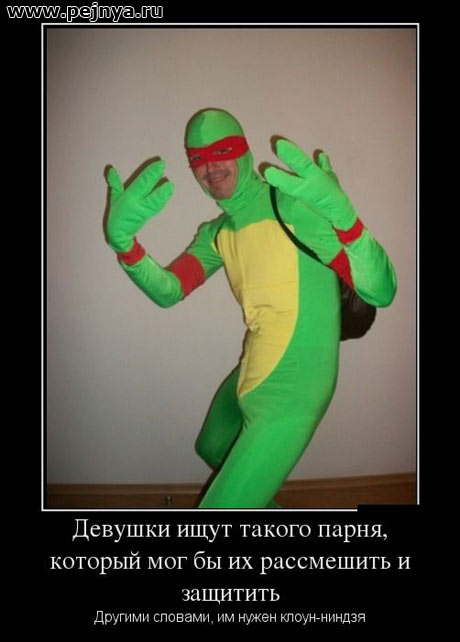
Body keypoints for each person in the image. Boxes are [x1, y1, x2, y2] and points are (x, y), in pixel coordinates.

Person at [104, 107, 397, 508]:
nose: (210, 167)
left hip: (296, 387)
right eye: (198, 158)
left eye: (221, 151)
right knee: (213, 445)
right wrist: (126, 247)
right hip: (253, 368)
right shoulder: (217, 232)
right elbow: (169, 291)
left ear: (243, 151)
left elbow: (381, 291)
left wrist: (347, 220)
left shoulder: (292, 207)